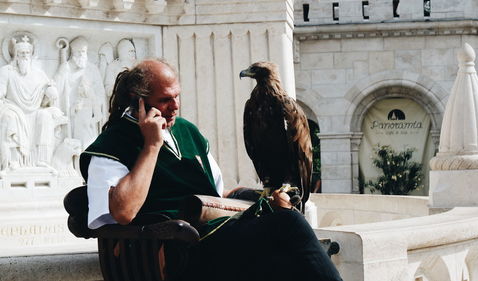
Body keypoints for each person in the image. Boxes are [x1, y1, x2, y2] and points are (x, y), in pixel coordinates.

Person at [79, 59, 343, 281]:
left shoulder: (187, 132)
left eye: (177, 96)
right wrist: (151, 146)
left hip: (214, 240)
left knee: (285, 250)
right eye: (165, 100)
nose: (175, 106)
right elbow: (122, 212)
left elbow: (217, 194)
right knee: (290, 226)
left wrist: (262, 198)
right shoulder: (111, 145)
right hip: (171, 252)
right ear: (137, 100)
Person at [0, 35, 59, 170]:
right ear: (15, 55)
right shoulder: (6, 72)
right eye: (21, 53)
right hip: (14, 111)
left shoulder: (39, 74)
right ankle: (13, 161)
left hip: (34, 114)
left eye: (27, 53)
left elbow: (47, 100)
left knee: (45, 116)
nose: (25, 56)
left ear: (32, 55)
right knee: (10, 117)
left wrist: (51, 92)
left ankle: (42, 160)